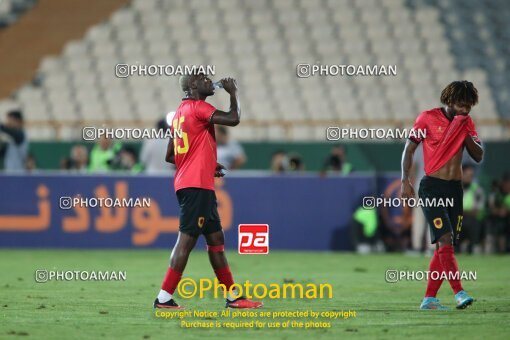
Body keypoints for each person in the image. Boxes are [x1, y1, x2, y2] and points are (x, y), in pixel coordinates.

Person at [153, 73, 262, 309]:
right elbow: (233, 119)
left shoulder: (180, 114)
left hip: (192, 183)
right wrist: (233, 92)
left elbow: (170, 155)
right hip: (196, 187)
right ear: (193, 86)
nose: (208, 80)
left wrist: (206, 164)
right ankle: (163, 298)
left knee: (216, 239)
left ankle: (233, 296)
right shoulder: (199, 108)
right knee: (186, 241)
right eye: (202, 78)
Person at [401, 80, 483, 310]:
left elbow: (478, 155)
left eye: (468, 105)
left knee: (444, 247)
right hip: (432, 187)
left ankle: (429, 299)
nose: (464, 109)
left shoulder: (467, 123)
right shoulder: (427, 118)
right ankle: (459, 292)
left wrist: (464, 130)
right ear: (449, 100)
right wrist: (404, 180)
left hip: (455, 189)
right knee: (445, 239)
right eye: (460, 104)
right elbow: (409, 148)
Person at [460, 164, 485, 254]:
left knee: (472, 223)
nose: (468, 178)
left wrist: (461, 211)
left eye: (471, 176)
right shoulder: (454, 188)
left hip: (471, 221)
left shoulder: (477, 190)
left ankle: (472, 248)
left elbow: (477, 211)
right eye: (466, 175)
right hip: (457, 220)